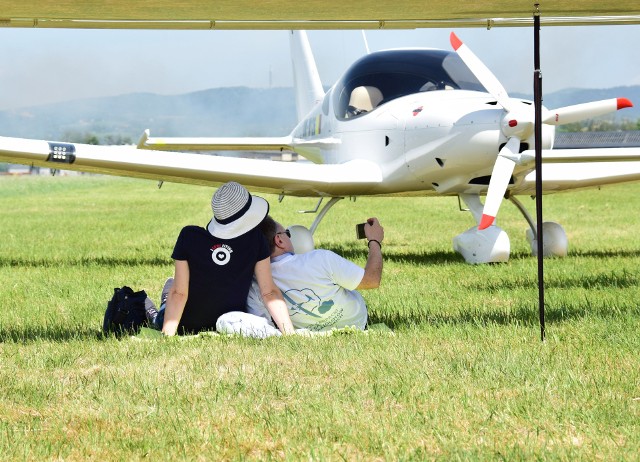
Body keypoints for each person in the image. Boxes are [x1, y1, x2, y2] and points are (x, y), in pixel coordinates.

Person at [148, 181, 294, 336]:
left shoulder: (189, 236)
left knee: (168, 300)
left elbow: (179, 293)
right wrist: (289, 333)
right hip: (230, 322)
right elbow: (269, 292)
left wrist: (167, 334)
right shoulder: (256, 240)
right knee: (161, 308)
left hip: (185, 323)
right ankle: (156, 306)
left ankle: (162, 304)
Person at [246, 215, 384, 332]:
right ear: (279, 240)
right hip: (358, 323)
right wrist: (374, 241)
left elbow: (263, 325)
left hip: (312, 334)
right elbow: (371, 280)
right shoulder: (321, 258)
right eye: (287, 233)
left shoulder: (255, 284)